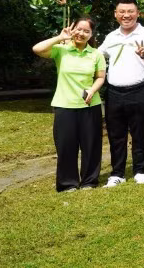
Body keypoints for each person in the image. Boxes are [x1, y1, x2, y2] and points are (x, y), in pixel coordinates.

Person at [33, 17, 106, 192]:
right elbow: (37, 49)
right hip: (65, 105)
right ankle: (68, 183)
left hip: (90, 106)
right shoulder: (61, 50)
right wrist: (60, 37)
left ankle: (89, 181)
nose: (81, 33)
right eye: (78, 29)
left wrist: (92, 90)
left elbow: (100, 77)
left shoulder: (96, 54)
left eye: (86, 31)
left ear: (91, 34)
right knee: (66, 146)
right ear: (73, 30)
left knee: (91, 146)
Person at [100, 0, 144, 187]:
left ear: (137, 13)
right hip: (114, 92)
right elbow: (97, 55)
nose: (126, 15)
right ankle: (117, 173)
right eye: (122, 12)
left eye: (130, 11)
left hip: (139, 91)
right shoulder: (111, 37)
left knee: (139, 132)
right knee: (115, 134)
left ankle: (139, 171)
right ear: (115, 14)